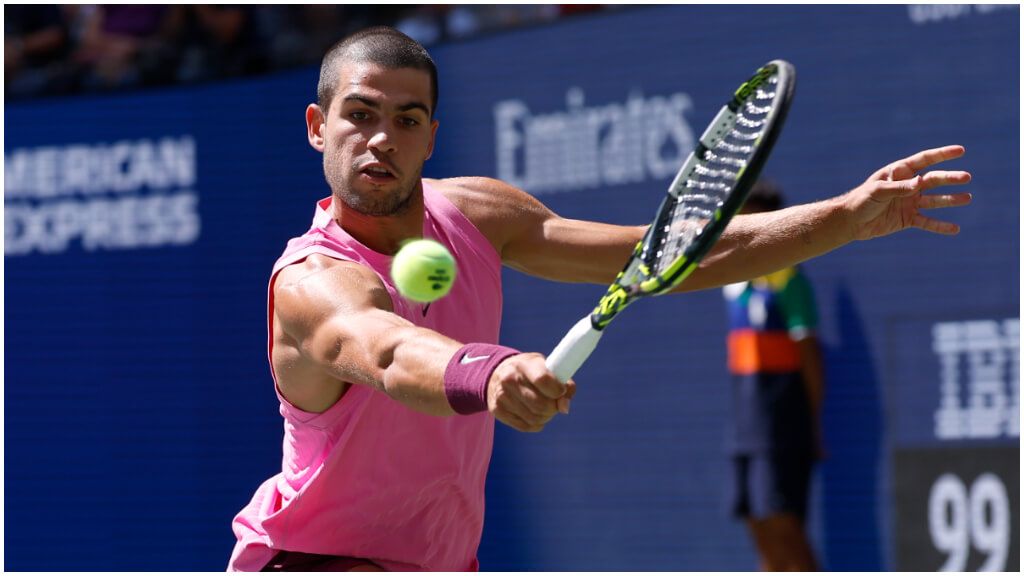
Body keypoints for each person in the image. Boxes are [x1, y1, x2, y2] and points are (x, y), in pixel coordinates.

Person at [227, 26, 971, 572]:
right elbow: (387, 350)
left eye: (407, 120)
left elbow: (664, 253)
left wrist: (842, 217)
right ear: (318, 128)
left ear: (431, 139)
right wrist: (487, 373)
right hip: (315, 561)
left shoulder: (479, 215)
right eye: (359, 115)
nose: (382, 138)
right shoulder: (313, 281)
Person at [722, 181, 825, 571]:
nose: (744, 230)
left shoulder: (791, 282)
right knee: (760, 530)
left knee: (786, 532)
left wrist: (812, 426)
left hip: (782, 431)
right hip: (743, 432)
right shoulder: (733, 286)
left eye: (754, 220)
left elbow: (809, 357)